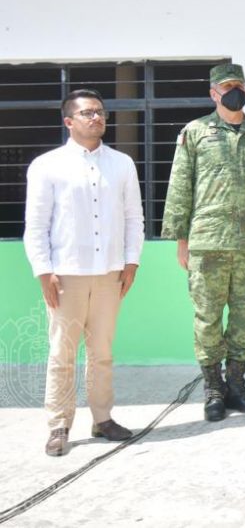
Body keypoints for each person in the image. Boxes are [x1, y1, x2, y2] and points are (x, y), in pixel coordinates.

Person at [162, 63, 245, 421]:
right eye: (227, 86)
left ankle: (237, 383)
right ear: (213, 93)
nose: (235, 92)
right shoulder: (195, 132)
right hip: (207, 242)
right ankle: (213, 387)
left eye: (240, 86)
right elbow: (180, 186)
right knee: (207, 317)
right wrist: (180, 239)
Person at [24, 89, 144, 456]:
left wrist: (131, 261)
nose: (97, 118)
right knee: (62, 352)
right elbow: (36, 224)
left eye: (101, 112)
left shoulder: (122, 164)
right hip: (66, 276)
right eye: (88, 113)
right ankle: (59, 425)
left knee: (102, 351)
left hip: (109, 274)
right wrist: (44, 271)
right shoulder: (47, 165)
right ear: (69, 121)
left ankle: (103, 419)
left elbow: (133, 217)